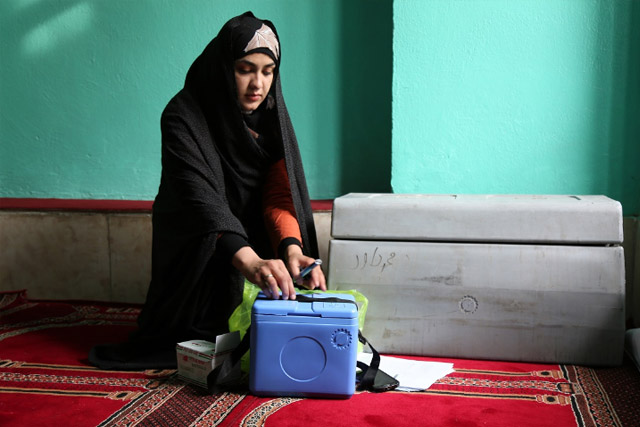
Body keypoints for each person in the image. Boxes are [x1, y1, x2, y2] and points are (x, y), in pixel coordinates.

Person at [89, 11, 326, 370]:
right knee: (197, 340)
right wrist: (252, 262)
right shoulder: (183, 116)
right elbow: (199, 202)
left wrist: (290, 249)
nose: (257, 85)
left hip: (253, 251)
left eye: (267, 71)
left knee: (265, 335)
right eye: (245, 69)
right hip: (196, 247)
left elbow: (278, 197)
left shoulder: (271, 120)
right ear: (223, 66)